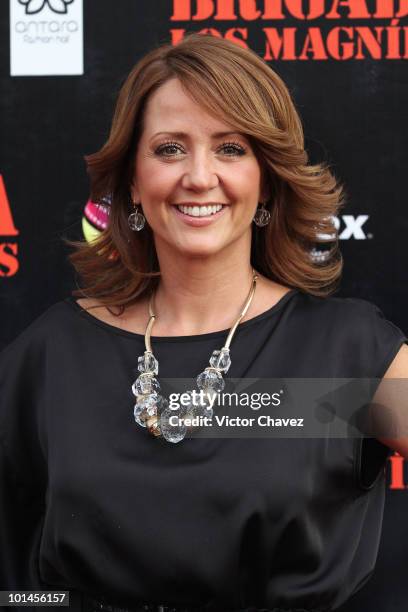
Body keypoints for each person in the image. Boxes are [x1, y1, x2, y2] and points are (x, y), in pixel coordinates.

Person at [1, 33, 407, 612]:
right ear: (133, 184)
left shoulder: (346, 351)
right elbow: (18, 585)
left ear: (266, 177)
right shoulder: (53, 355)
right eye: (170, 149)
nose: (198, 176)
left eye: (231, 148)